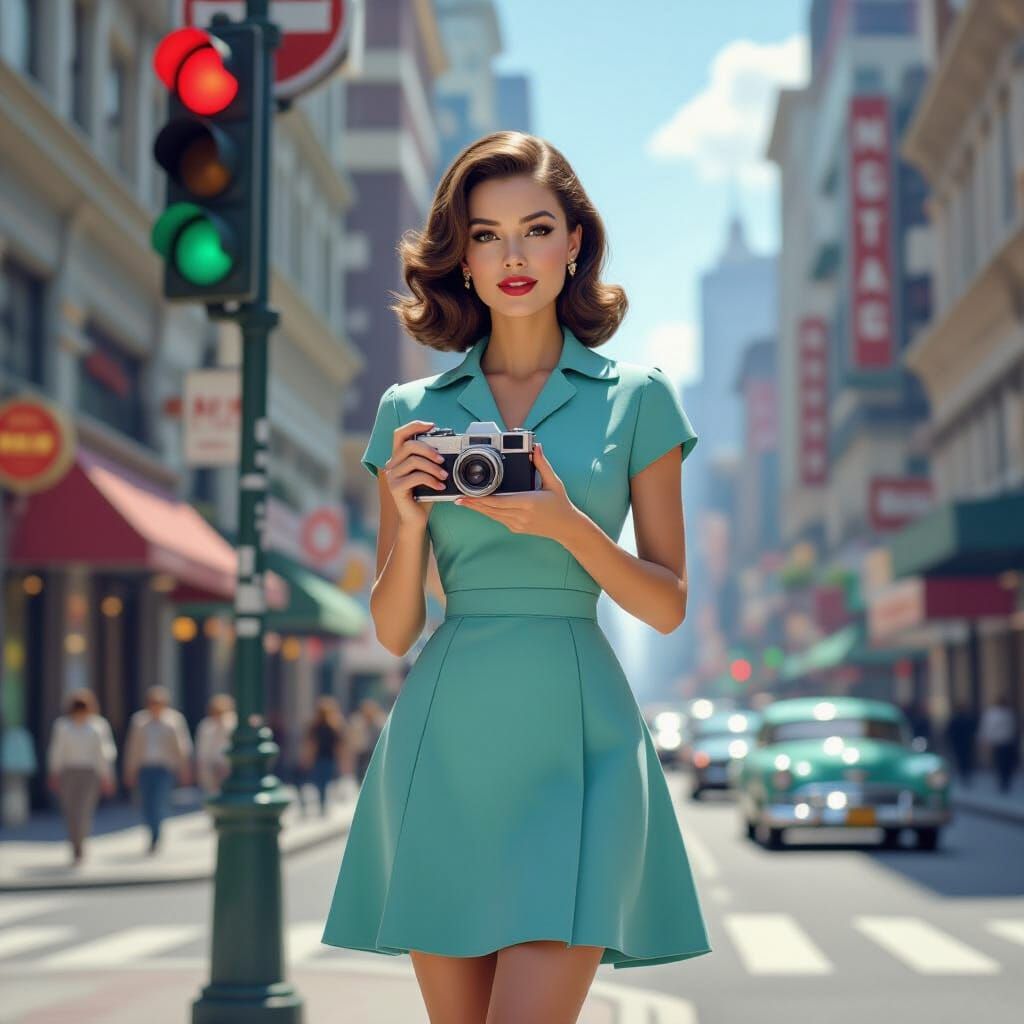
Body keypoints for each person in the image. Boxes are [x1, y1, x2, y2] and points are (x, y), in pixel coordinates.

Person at [320, 131, 711, 1021]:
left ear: (576, 241)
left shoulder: (637, 395)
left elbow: (668, 604)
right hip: (446, 738)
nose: (513, 256)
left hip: (581, 741)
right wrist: (408, 523)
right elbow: (390, 629)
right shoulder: (409, 412)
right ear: (460, 254)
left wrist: (568, 526)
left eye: (535, 229)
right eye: (486, 234)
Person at [46, 689, 117, 865]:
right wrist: (54, 772)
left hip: (89, 772)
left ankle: (81, 845)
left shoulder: (98, 726)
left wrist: (107, 775)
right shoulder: (63, 726)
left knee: (84, 810)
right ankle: (74, 844)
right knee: (70, 811)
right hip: (68, 771)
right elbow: (57, 751)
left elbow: (104, 753)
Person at [123, 686, 193, 854]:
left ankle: (156, 836)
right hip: (145, 768)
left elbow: (182, 746)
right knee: (147, 804)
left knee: (159, 802)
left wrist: (184, 768)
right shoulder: (139, 721)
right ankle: (151, 832)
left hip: (164, 768)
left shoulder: (174, 720)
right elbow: (132, 748)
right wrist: (130, 770)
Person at [299, 697, 347, 816]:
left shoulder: (326, 727)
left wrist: (307, 758)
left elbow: (311, 745)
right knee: (322, 783)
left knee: (320, 783)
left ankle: (321, 805)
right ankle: (322, 806)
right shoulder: (330, 727)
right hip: (327, 758)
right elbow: (339, 746)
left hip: (322, 758)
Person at [195, 693, 237, 797]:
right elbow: (202, 749)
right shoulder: (206, 725)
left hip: (228, 766)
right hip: (211, 767)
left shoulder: (232, 723)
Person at [979, 692, 1019, 794]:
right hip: (1004, 742)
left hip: (1001, 742)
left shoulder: (998, 714)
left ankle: (1004, 781)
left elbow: (987, 729)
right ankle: (1005, 781)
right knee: (1005, 763)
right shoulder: (1006, 713)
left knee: (1003, 763)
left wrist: (985, 739)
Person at [944, 700, 979, 788]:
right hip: (966, 742)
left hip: (959, 743)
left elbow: (949, 732)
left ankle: (964, 774)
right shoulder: (967, 718)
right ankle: (966, 775)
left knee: (962, 760)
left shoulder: (957, 719)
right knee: (966, 759)